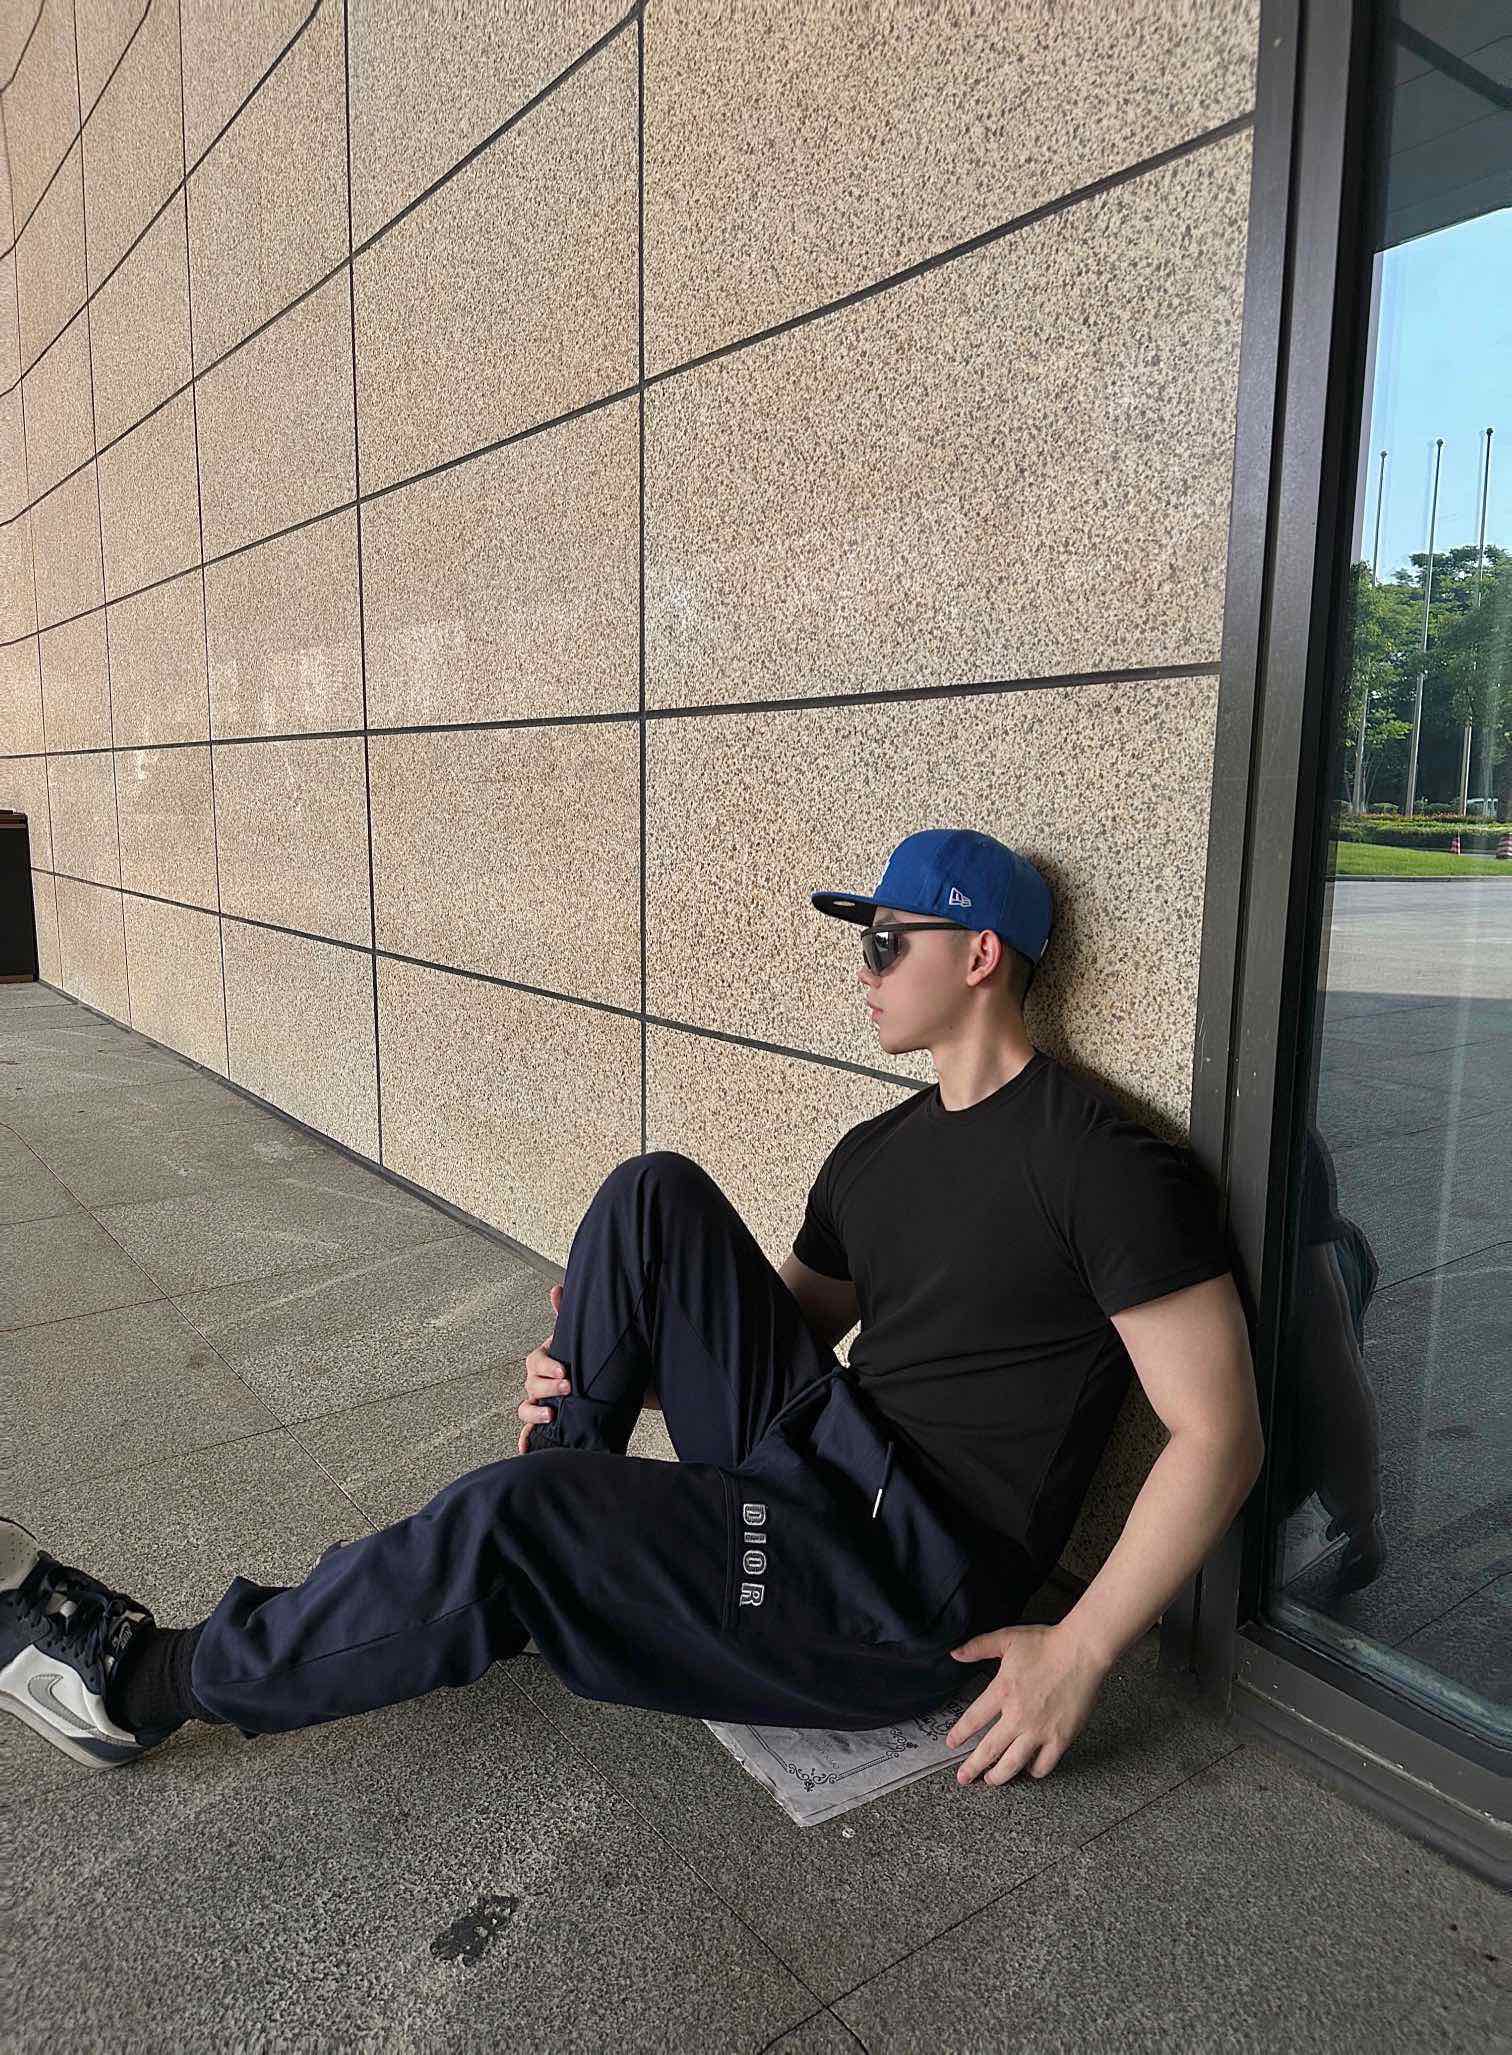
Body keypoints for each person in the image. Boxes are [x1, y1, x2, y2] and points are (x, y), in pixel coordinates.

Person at [1, 828, 1263, 1791]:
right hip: (825, 1464)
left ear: (980, 957)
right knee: (652, 1195)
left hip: (901, 1583)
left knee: (513, 1519)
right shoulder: (878, 1153)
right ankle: (539, 1522)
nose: (864, 969)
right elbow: (773, 1335)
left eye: (888, 943)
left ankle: (147, 1682)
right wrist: (607, 1368)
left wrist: (1079, 1651)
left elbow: (1219, 1434)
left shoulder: (1101, 1162)